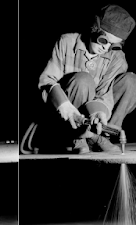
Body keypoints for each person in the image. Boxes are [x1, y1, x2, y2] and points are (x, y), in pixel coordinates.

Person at [36, 4, 136, 154]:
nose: (106, 48)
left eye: (113, 45)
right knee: (84, 79)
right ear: (94, 28)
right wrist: (65, 107)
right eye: (104, 40)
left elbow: (105, 93)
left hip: (95, 116)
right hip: (63, 117)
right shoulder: (67, 42)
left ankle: (100, 135)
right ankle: (78, 136)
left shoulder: (117, 58)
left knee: (131, 81)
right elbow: (47, 81)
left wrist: (98, 113)